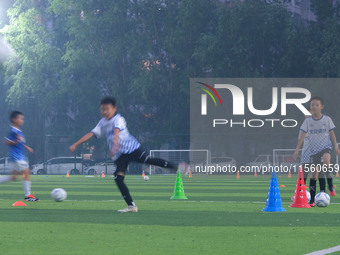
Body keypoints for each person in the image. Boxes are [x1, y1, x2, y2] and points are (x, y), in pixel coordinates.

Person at [70, 97, 180, 213]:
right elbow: (91, 133)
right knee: (118, 178)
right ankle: (132, 206)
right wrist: (75, 144)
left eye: (107, 109)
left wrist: (115, 145)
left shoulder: (119, 119)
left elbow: (116, 131)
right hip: (121, 155)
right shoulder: (102, 122)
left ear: (114, 109)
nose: (104, 112)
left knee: (149, 160)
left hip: (132, 149)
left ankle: (176, 167)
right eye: (102, 110)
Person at [294, 96, 340, 206]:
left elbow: (332, 133)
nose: (313, 109)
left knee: (326, 162)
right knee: (314, 175)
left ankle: (327, 188)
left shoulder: (326, 120)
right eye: (311, 106)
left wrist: (335, 147)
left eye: (316, 106)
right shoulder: (307, 123)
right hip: (311, 152)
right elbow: (301, 137)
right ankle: (310, 199)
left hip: (325, 147)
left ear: (321, 107)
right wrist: (297, 150)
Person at [0, 111, 39, 201]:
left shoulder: (18, 131)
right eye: (20, 118)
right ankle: (28, 196)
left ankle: (28, 195)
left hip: (17, 157)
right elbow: (6, 141)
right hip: (17, 157)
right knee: (27, 173)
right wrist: (15, 141)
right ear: (14, 119)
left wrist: (26, 147)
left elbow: (19, 142)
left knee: (13, 177)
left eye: (22, 119)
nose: (22, 120)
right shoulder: (13, 130)